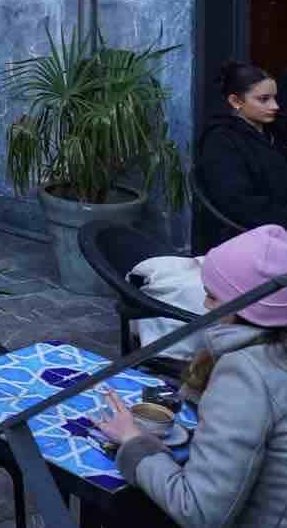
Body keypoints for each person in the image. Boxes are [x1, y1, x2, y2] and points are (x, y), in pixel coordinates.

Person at [96, 224, 287, 525]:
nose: (204, 305)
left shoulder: (247, 374)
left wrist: (134, 441)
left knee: (119, 509)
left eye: (212, 296)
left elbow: (198, 510)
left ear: (246, 308)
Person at [194, 61, 287, 253]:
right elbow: (238, 203)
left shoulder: (273, 130)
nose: (275, 106)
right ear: (236, 101)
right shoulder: (220, 140)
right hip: (247, 237)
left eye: (274, 98)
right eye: (264, 99)